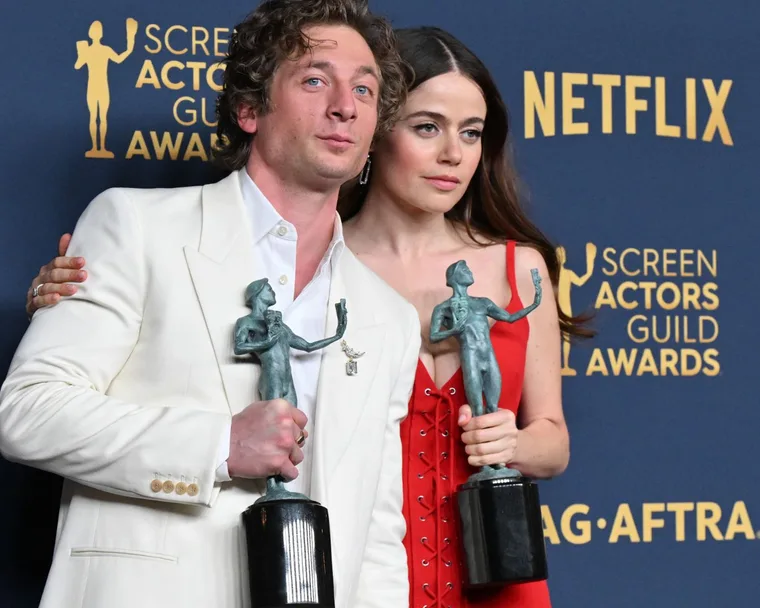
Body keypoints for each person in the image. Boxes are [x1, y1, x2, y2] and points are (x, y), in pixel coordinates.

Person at [26, 25, 596, 608]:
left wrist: (516, 444)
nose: (453, 153)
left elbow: (545, 440)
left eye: (471, 133)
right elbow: (35, 404)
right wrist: (80, 286)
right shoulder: (283, 258)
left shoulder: (442, 286)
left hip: (478, 560)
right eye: (428, 127)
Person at [2, 1, 420, 608]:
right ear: (249, 109)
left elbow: (377, 533)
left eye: (364, 88)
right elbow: (29, 413)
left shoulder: (389, 317)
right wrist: (218, 446)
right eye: (314, 79)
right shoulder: (137, 226)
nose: (345, 105)